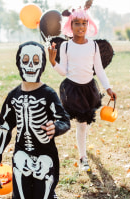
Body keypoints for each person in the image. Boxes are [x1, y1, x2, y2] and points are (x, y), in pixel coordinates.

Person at [0, 41, 71, 199]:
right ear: (19, 63)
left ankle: (48, 197)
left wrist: (57, 127)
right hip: (21, 154)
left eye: (36, 61)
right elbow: (6, 125)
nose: (30, 65)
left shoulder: (48, 93)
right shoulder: (13, 96)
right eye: (25, 60)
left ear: (42, 64)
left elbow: (64, 119)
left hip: (45, 156)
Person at [48, 7, 117, 172]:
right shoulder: (65, 46)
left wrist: (108, 88)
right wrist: (53, 62)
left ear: (89, 24)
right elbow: (64, 71)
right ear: (70, 26)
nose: (81, 27)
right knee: (80, 124)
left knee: (84, 124)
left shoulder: (93, 46)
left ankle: (82, 150)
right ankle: (82, 157)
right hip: (72, 89)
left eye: (84, 23)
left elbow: (99, 69)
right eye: (77, 23)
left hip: (88, 89)